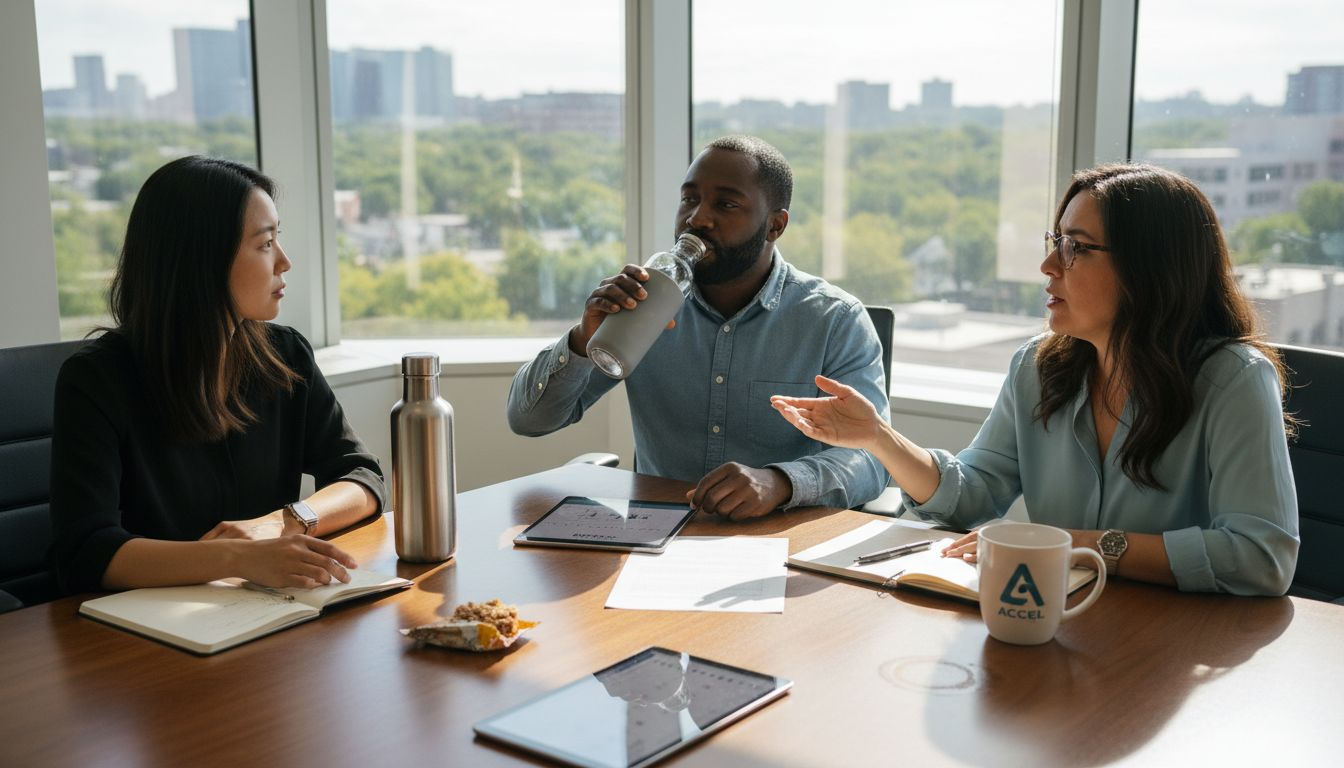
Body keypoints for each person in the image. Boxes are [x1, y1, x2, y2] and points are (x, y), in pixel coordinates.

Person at [771, 163, 1299, 596]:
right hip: (1057, 621)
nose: (1048, 265)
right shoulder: (1039, 367)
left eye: (1075, 247)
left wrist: (1080, 545)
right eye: (1056, 240)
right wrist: (878, 438)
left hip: (1180, 641)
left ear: (1149, 269)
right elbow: (971, 496)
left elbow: (1260, 556)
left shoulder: (1234, 380)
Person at [48, 156, 385, 594]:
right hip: (146, 622)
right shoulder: (96, 380)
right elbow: (87, 552)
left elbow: (362, 478)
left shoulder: (285, 355)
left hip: (261, 610)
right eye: (265, 244)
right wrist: (237, 557)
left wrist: (278, 524)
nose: (284, 261)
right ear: (202, 260)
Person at [507, 135, 889, 518]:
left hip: (780, 536)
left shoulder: (835, 320)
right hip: (652, 530)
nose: (697, 219)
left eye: (726, 204)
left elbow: (872, 459)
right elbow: (528, 420)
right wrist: (582, 340)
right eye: (689, 199)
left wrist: (781, 482)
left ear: (775, 225)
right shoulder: (642, 305)